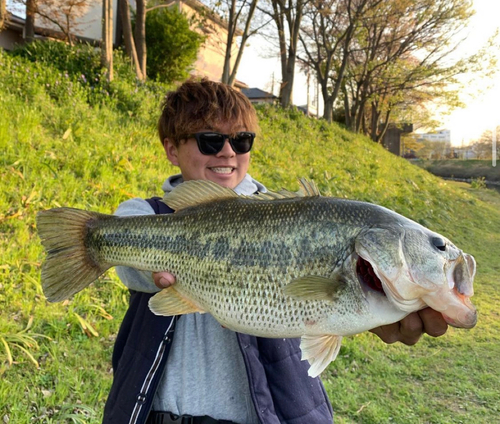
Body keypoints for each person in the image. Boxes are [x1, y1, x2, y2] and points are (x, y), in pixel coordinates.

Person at [102, 79, 448, 424]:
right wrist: (162, 267)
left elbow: (327, 300)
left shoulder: (289, 216)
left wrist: (372, 306)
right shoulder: (147, 215)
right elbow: (131, 267)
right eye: (210, 140)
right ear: (172, 149)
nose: (227, 152)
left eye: (241, 140)